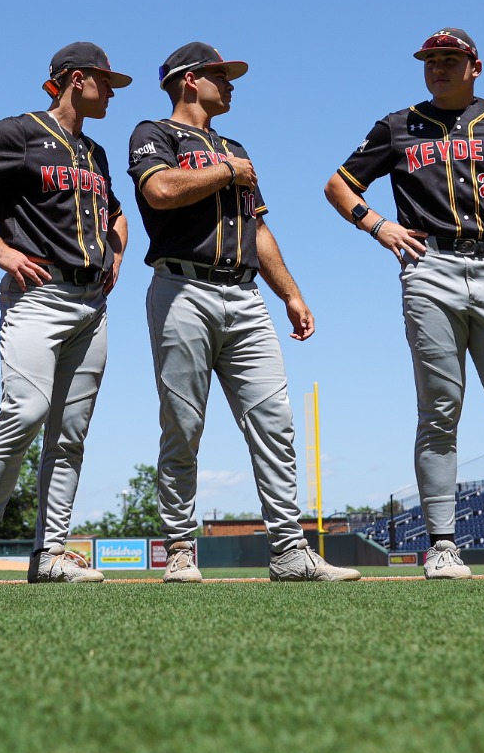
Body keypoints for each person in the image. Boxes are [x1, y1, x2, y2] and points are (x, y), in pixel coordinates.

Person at [326, 28, 484, 581]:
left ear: (475, 66)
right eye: (430, 60)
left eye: (450, 59)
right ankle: (442, 546)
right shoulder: (398, 125)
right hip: (431, 269)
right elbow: (339, 186)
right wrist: (377, 225)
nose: (438, 67)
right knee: (440, 409)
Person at [131, 42, 356, 584]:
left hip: (246, 293)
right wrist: (227, 172)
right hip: (182, 288)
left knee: (274, 422)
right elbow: (159, 190)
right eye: (220, 74)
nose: (230, 83)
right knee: (183, 424)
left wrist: (290, 293)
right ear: (189, 80)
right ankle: (180, 549)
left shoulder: (234, 147)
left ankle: (289, 551)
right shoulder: (153, 133)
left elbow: (258, 228)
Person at [0, 44, 130, 584]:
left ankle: (50, 555)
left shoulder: (94, 152)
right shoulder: (20, 131)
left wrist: (115, 252)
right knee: (24, 411)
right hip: (38, 295)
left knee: (69, 434)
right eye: (105, 81)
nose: (112, 92)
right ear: (75, 79)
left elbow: (117, 214)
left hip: (92, 303)